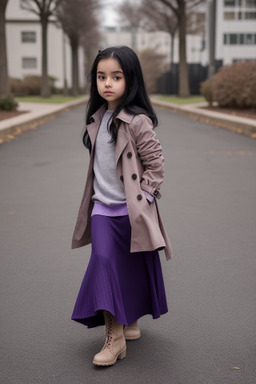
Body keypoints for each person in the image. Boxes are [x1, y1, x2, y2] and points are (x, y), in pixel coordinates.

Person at [71, 46, 172, 367]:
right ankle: (114, 340)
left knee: (128, 267)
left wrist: (143, 198)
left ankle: (130, 322)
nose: (108, 83)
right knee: (103, 265)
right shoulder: (97, 118)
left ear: (131, 80)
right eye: (101, 77)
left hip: (130, 210)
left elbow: (156, 165)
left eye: (116, 76)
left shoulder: (138, 121)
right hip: (102, 209)